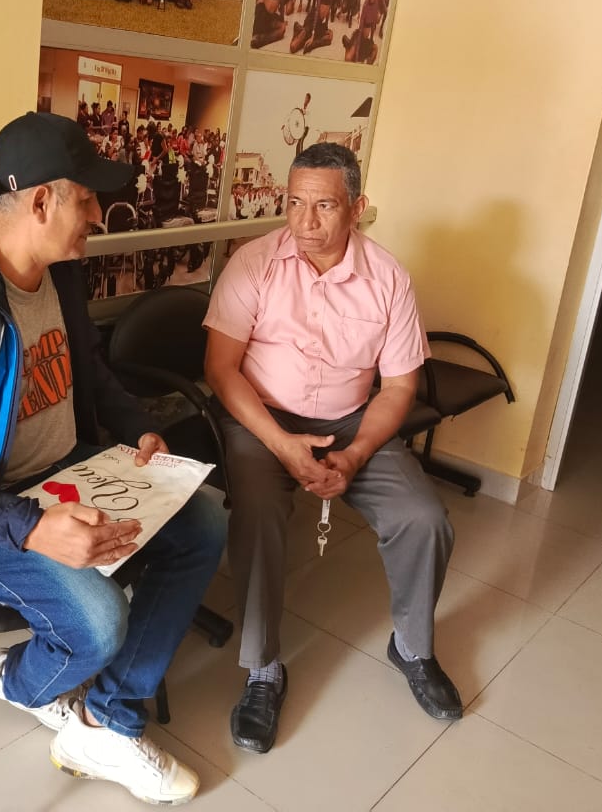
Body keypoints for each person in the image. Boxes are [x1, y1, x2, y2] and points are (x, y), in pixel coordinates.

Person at [0, 112, 226, 806]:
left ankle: (103, 720)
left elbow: (88, 368)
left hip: (66, 470)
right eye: (87, 198)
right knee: (99, 622)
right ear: (42, 202)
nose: (98, 215)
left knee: (205, 522)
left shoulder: (60, 272)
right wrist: (28, 526)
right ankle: (19, 679)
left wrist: (138, 429)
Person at [202, 142, 461, 755]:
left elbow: (398, 387)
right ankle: (263, 669)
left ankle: (413, 648)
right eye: (294, 202)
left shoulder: (388, 278)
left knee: (424, 517)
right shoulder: (253, 263)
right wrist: (281, 444)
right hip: (260, 419)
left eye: (323, 206)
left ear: (357, 207)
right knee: (258, 513)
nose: (304, 221)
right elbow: (221, 370)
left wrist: (356, 452)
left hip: (351, 421)